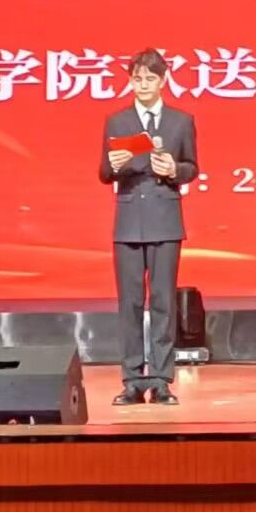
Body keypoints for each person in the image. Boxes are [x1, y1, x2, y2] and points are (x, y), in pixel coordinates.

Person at [100, 49, 198, 405]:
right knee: (129, 302)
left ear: (163, 81)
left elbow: (192, 168)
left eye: (150, 79)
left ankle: (160, 379)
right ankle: (131, 379)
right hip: (128, 220)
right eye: (137, 79)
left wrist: (174, 170)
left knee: (162, 302)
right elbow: (103, 172)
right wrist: (116, 165)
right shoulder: (117, 121)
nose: (143, 85)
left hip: (166, 218)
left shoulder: (180, 121)